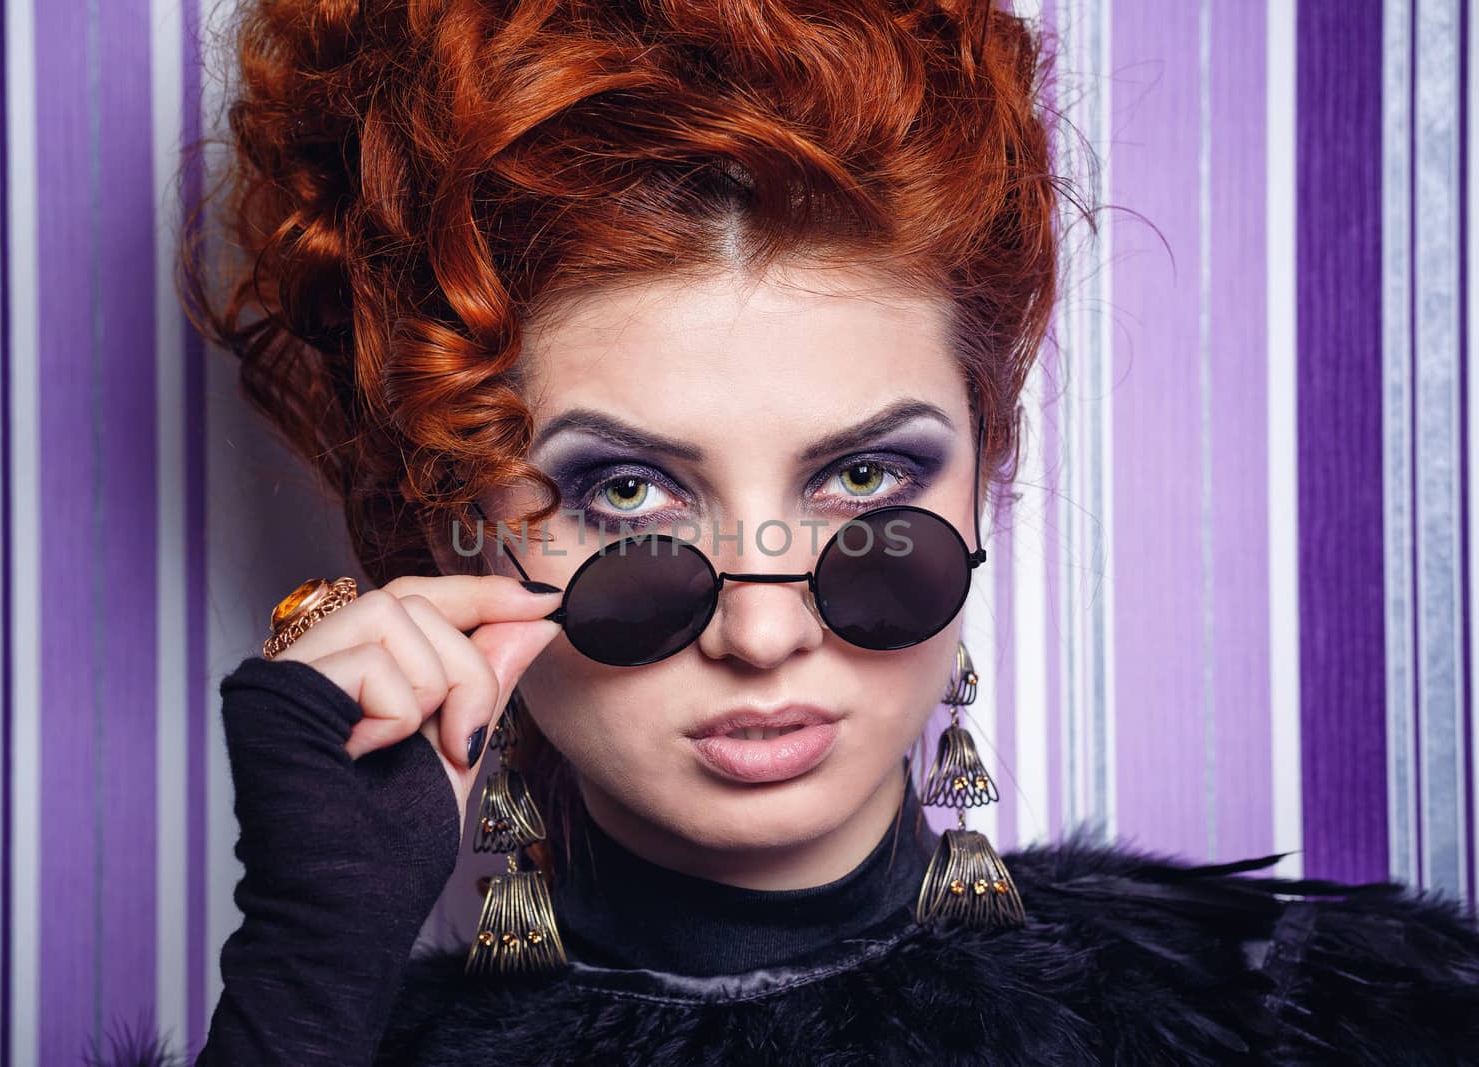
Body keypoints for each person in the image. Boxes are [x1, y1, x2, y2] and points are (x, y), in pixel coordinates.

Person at [105, 0, 1479, 1063]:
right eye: (626, 495)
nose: (766, 634)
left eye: (868, 481)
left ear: (981, 477)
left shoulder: (1317, 1017)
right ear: (463, 530)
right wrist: (310, 977)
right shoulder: (327, 1039)